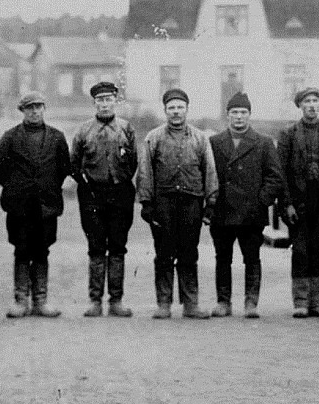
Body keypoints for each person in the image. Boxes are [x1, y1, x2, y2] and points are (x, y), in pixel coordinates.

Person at [135, 88, 218, 319]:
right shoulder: (154, 137)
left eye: (180, 107)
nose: (176, 112)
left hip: (191, 201)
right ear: (165, 111)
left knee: (189, 252)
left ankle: (191, 303)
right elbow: (145, 172)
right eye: (171, 107)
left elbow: (209, 170)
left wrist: (210, 202)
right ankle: (163, 303)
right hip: (163, 202)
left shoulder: (200, 138)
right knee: (163, 252)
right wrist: (146, 202)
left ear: (187, 110)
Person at [0, 91, 70, 319]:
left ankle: (41, 300)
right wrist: (18, 187)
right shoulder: (9, 137)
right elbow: (0, 170)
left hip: (46, 205)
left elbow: (64, 168)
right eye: (29, 108)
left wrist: (48, 186)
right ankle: (20, 300)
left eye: (38, 107)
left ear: (44, 108)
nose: (34, 111)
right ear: (22, 111)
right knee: (21, 250)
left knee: (42, 251)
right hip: (20, 206)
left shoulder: (57, 137)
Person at [207, 92, 283, 318]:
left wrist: (261, 201)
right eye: (234, 112)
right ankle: (223, 302)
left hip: (252, 213)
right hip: (222, 211)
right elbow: (207, 174)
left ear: (249, 115)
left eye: (243, 112)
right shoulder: (214, 142)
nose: (239, 117)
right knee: (222, 258)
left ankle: (251, 303)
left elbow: (275, 177)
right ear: (227, 115)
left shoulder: (264, 142)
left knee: (252, 258)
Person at [69, 81, 137, 318]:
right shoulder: (83, 130)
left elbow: (133, 162)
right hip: (92, 197)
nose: (105, 104)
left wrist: (120, 181)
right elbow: (74, 164)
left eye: (109, 99)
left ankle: (116, 301)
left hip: (120, 194)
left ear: (115, 101)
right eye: (100, 100)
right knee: (96, 247)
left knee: (118, 247)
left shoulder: (126, 128)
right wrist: (89, 184)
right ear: (94, 103)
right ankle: (95, 300)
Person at [277, 87, 319, 318]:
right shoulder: (288, 134)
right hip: (299, 202)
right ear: (300, 105)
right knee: (301, 251)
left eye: (316, 100)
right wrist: (286, 204)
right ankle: (300, 301)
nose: (312, 105)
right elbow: (281, 173)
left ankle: (316, 302)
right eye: (307, 101)